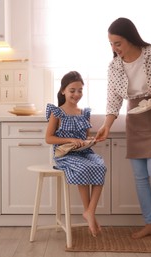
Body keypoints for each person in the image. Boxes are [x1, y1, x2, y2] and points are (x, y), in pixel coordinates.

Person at [95, 17, 151, 239]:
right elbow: (113, 100)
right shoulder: (114, 66)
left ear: (131, 38)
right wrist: (106, 126)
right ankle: (149, 223)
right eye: (111, 44)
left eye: (118, 43)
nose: (114, 49)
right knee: (140, 176)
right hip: (135, 117)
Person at [45, 71, 107, 237]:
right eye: (72, 90)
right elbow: (48, 138)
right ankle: (90, 214)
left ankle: (89, 212)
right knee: (84, 167)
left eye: (80, 90)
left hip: (83, 152)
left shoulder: (84, 113)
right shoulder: (57, 112)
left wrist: (91, 141)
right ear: (63, 91)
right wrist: (70, 140)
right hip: (65, 155)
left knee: (100, 165)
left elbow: (84, 138)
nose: (76, 94)